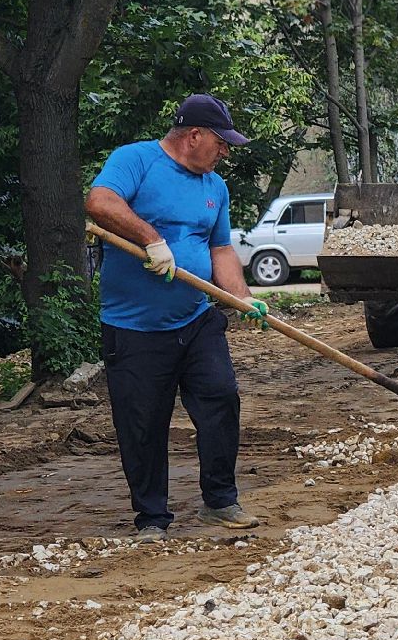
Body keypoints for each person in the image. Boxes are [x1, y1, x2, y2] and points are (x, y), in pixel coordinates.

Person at [85, 94, 270, 542]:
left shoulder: (215, 188)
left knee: (221, 399)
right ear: (194, 136)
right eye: (221, 143)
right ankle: (151, 518)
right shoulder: (137, 160)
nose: (225, 152)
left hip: (196, 319)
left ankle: (220, 501)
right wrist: (152, 239)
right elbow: (99, 203)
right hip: (133, 328)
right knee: (142, 423)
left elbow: (220, 249)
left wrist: (243, 298)